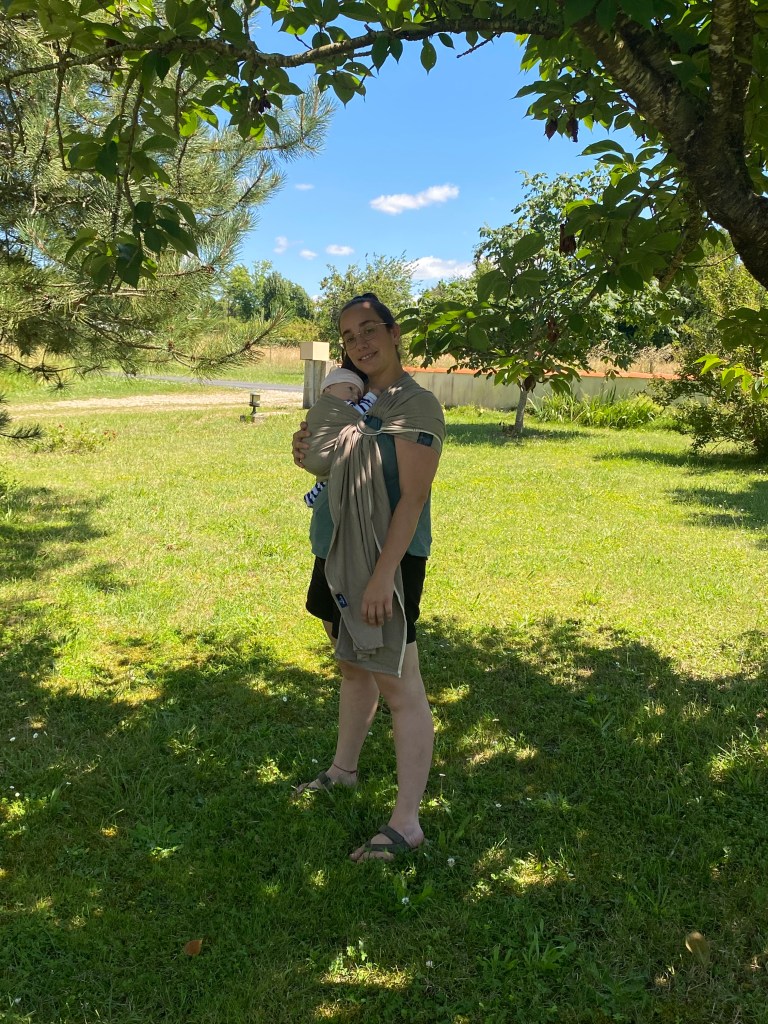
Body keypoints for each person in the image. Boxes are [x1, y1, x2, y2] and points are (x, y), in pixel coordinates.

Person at [292, 292, 445, 862]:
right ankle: (344, 769)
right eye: (348, 335)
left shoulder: (416, 405)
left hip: (387, 558)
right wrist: (307, 446)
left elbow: (413, 499)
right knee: (352, 666)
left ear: (394, 331)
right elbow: (324, 459)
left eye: (369, 329)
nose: (360, 342)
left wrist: (384, 579)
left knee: (400, 686)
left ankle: (407, 823)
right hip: (334, 548)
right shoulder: (350, 397)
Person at [302, 367, 377, 509]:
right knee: (335, 469)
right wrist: (373, 395)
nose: (355, 396)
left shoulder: (319, 406)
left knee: (327, 477)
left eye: (359, 394)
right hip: (324, 455)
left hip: (309, 456)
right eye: (350, 388)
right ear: (328, 389)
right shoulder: (338, 406)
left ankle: (314, 495)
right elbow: (360, 412)